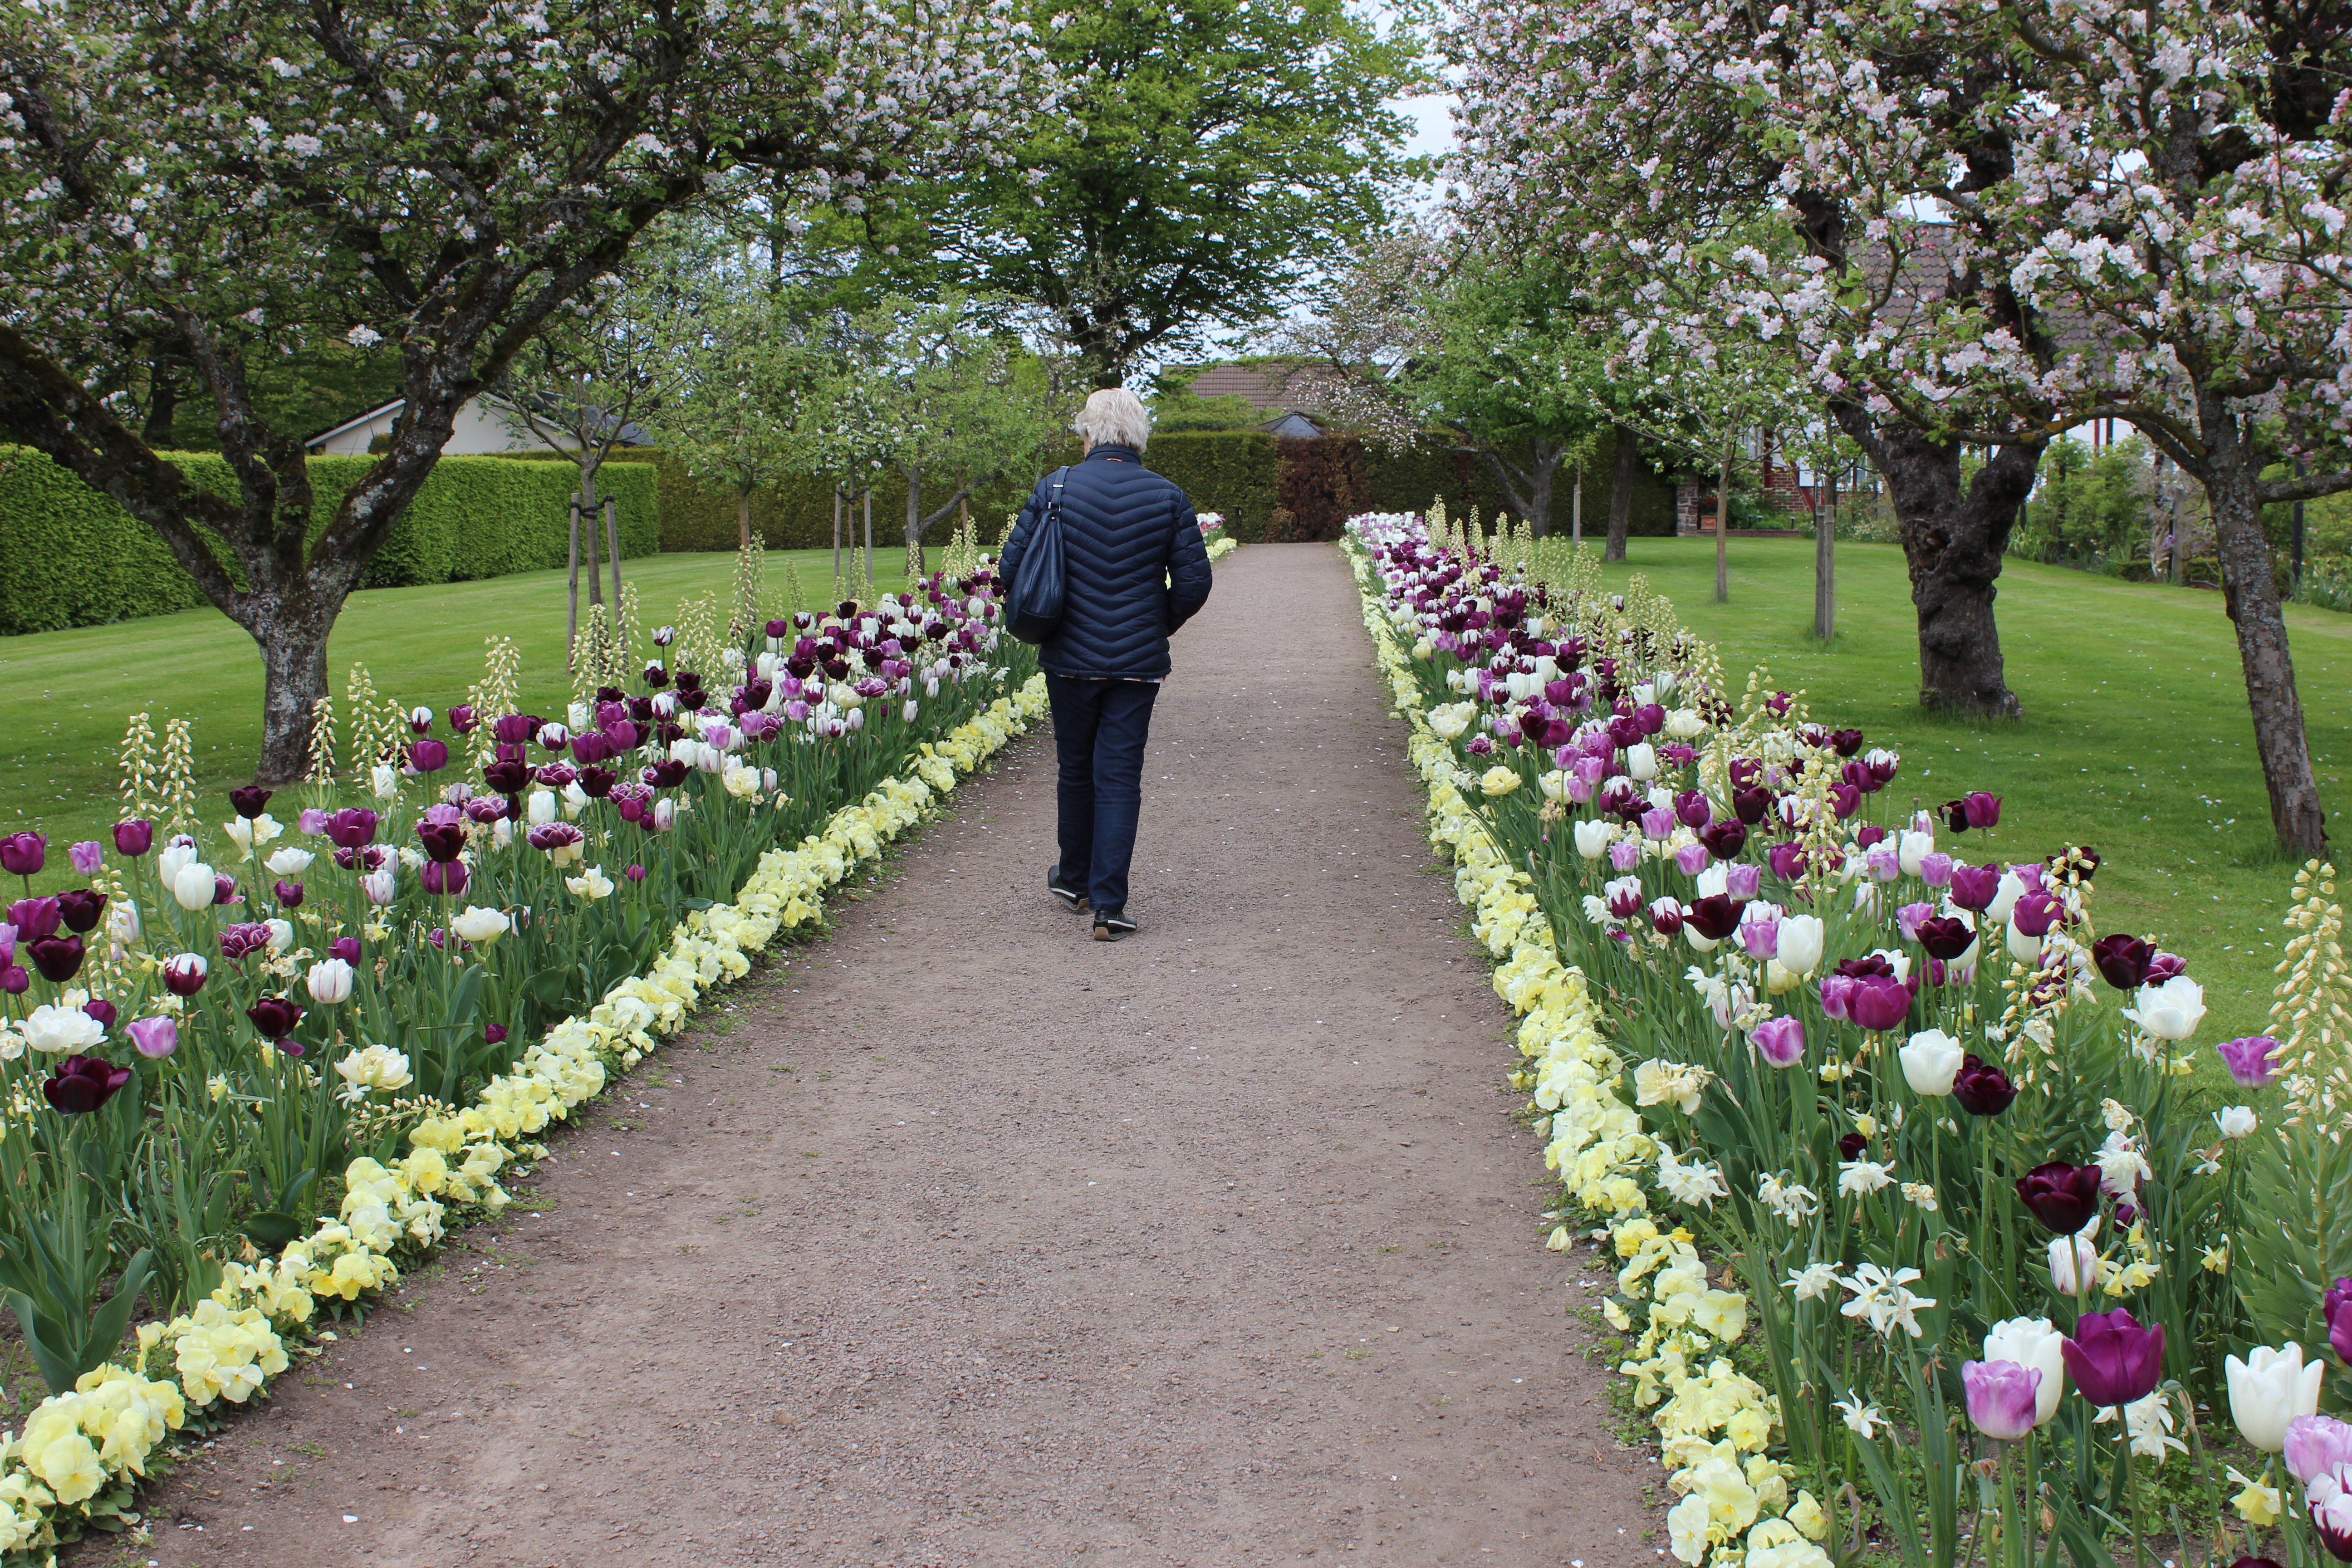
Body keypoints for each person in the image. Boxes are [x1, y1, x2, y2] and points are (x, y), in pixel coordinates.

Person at [997, 387, 1212, 941]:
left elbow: (1012, 567)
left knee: (1075, 768)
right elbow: (1194, 583)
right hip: (1137, 662)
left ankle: (1073, 881)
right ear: (1138, 435)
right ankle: (1109, 906)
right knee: (1118, 777)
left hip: (1069, 656)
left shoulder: (1057, 488)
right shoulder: (1167, 496)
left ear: (1089, 432)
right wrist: (1155, 622)